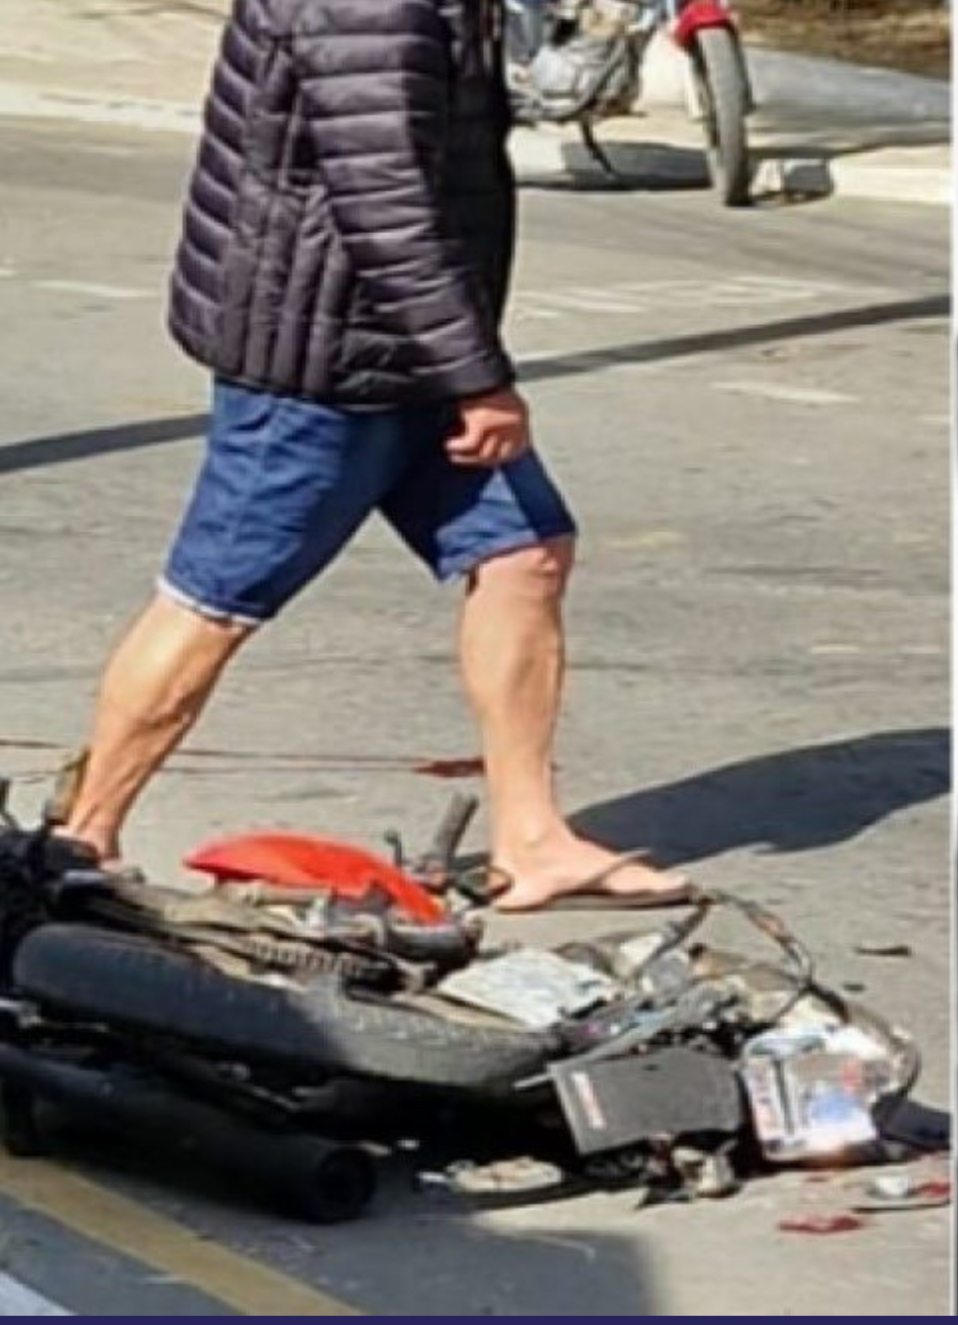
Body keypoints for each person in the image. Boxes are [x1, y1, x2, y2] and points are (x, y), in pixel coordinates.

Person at [60, 0, 688, 912]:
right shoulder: (370, 7)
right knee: (215, 597)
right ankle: (79, 838)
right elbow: (383, 198)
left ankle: (532, 839)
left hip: (399, 342)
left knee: (523, 553)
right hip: (322, 355)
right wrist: (477, 377)